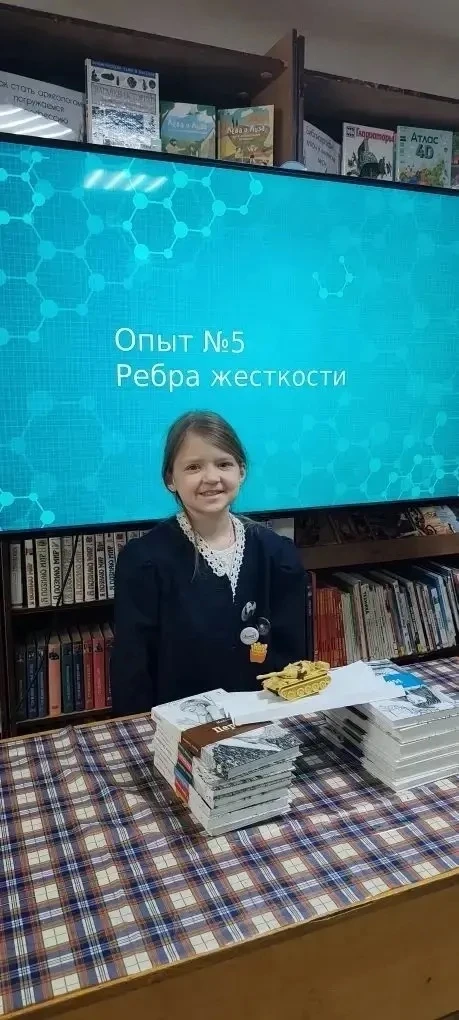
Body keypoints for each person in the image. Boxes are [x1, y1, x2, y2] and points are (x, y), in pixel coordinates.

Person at [110, 410, 306, 715]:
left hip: (266, 719)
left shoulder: (278, 554)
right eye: (193, 467)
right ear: (170, 479)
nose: (212, 478)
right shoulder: (143, 561)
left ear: (241, 471)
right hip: (181, 726)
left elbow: (294, 657)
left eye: (224, 464)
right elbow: (131, 670)